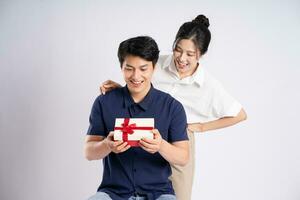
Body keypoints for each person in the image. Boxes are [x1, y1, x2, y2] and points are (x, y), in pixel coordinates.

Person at [100, 15, 247, 200]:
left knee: (180, 194)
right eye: (178, 50)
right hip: (144, 127)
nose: (181, 58)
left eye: (190, 54)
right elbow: (139, 81)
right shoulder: (158, 62)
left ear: (201, 54)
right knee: (132, 185)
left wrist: (200, 127)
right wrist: (120, 90)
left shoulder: (208, 84)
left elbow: (240, 115)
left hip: (179, 136)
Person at [85, 36, 190, 200]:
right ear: (121, 67)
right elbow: (89, 152)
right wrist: (107, 145)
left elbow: (183, 158)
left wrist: (160, 145)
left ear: (154, 68)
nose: (136, 76)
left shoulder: (172, 107)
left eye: (143, 69)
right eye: (129, 68)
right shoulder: (104, 102)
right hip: (113, 193)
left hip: (159, 194)